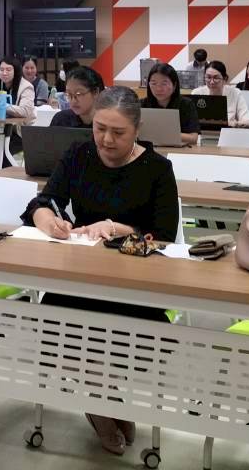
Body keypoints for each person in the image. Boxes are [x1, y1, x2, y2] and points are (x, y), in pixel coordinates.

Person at [22, 87, 178, 454]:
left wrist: (120, 228)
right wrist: (46, 218)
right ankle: (102, 397)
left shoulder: (157, 168)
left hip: (135, 287)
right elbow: (44, 200)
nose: (106, 140)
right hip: (80, 279)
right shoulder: (79, 154)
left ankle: (99, 397)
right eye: (99, 129)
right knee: (53, 324)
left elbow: (165, 237)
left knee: (123, 336)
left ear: (137, 130)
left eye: (118, 132)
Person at [141, 62, 200, 145]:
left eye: (164, 84)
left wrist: (162, 134)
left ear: (174, 85)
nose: (158, 89)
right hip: (150, 148)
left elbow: (193, 138)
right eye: (154, 83)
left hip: (179, 150)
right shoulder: (142, 104)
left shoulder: (186, 104)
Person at [192, 60, 249, 127]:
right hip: (202, 132)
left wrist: (237, 124)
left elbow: (246, 120)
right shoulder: (197, 93)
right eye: (208, 77)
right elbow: (190, 120)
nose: (212, 82)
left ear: (224, 78)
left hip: (228, 131)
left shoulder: (235, 93)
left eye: (216, 78)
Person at [0, 56, 34, 120]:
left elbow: (25, 111)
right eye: (1, 70)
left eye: (8, 70)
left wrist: (2, 106)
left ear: (16, 71)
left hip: (18, 124)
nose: (4, 73)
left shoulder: (26, 86)